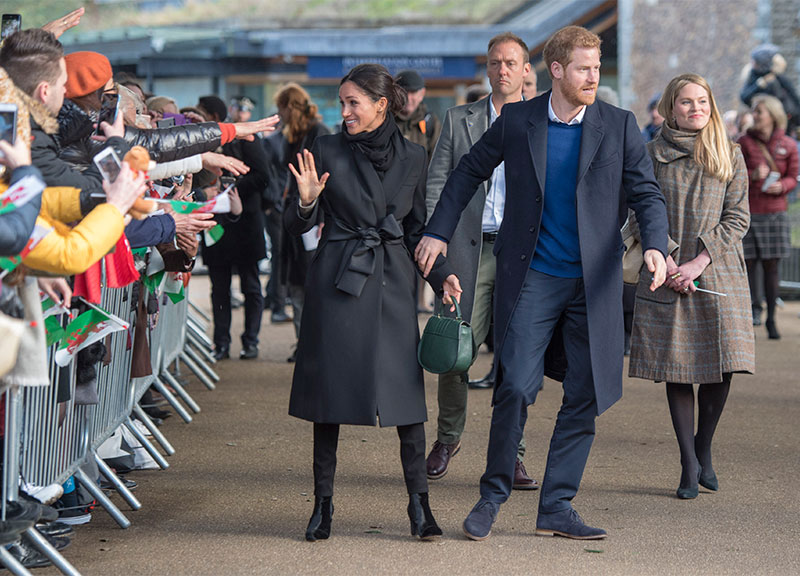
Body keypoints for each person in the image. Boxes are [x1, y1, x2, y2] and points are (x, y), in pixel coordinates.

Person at [416, 25, 669, 541]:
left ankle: (557, 505)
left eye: (597, 68)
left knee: (586, 392)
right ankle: (492, 495)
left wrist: (659, 249)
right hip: (531, 275)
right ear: (556, 70)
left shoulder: (619, 126)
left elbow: (648, 194)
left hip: (592, 284)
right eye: (583, 68)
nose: (593, 77)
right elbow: (466, 172)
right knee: (514, 385)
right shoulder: (519, 120)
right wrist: (438, 232)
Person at [285, 63, 453, 542]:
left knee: (407, 396)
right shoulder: (325, 148)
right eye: (342, 103)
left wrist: (442, 275)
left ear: (382, 105)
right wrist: (305, 202)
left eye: (353, 103)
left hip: (394, 282)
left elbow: (419, 229)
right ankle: (322, 507)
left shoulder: (415, 157)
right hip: (339, 278)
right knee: (329, 399)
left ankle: (420, 507)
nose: (345, 112)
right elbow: (295, 226)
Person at [629, 73, 755, 499]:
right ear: (669, 107)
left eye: (702, 101)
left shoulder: (730, 153)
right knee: (677, 366)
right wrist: (664, 256)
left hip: (717, 268)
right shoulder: (648, 153)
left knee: (721, 363)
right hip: (664, 269)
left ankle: (704, 445)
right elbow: (636, 212)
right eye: (685, 102)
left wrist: (698, 262)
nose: (695, 108)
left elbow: (738, 218)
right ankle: (687, 462)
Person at [423, 32, 537, 490]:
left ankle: (514, 453)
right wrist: (438, 240)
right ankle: (448, 437)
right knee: (454, 346)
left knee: (517, 356)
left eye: (512, 63)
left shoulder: (543, 120)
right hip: (467, 248)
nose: (503, 70)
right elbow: (438, 183)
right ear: (488, 69)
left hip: (521, 251)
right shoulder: (458, 119)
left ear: (527, 69)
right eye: (495, 63)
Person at [199, 95, 269, 360]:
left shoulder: (244, 138)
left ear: (215, 116)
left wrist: (230, 189)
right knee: (219, 288)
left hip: (246, 222)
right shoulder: (201, 143)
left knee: (251, 286)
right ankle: (222, 343)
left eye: (201, 114)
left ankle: (250, 341)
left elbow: (263, 177)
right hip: (215, 223)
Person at [274, 83, 330, 358]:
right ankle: (304, 344)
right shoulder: (293, 135)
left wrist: (320, 217)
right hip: (295, 216)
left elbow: (326, 179)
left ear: (290, 107)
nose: (279, 114)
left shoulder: (318, 133)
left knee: (309, 283)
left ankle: (313, 345)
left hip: (312, 219)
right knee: (297, 282)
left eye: (281, 108)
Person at [738, 94, 798, 339]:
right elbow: (733, 172)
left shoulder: (788, 144)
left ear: (772, 115)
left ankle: (772, 317)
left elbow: (794, 176)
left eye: (759, 111)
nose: (755, 115)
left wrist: (782, 185)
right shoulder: (743, 142)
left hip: (775, 212)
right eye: (754, 111)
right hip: (750, 210)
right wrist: (752, 174)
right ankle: (754, 310)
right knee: (749, 263)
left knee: (772, 266)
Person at [741, 44, 800, 137]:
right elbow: (744, 97)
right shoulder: (754, 77)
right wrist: (759, 85)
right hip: (761, 129)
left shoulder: (778, 78)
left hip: (784, 125)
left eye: (755, 62)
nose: (753, 64)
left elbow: (792, 98)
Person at [394, 69, 442, 164]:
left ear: (422, 94)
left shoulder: (431, 122)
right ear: (394, 92)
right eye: (403, 92)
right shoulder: (382, 120)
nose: (408, 97)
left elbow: (438, 161)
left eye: (413, 92)